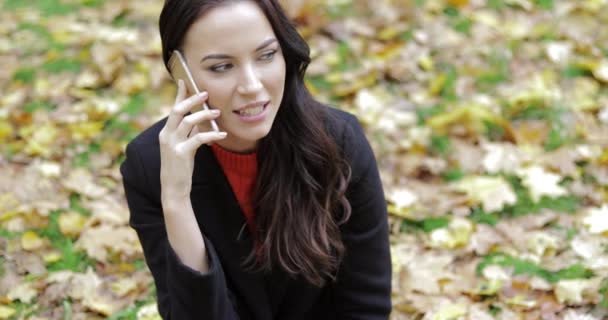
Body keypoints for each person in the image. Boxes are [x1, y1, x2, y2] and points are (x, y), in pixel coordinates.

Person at [119, 0, 391, 318]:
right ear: (180, 72)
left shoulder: (339, 143)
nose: (252, 86)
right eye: (221, 67)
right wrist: (178, 203)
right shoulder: (150, 166)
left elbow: (366, 307)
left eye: (266, 55)